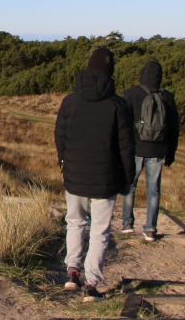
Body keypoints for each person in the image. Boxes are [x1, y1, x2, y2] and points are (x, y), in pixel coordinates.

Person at [55, 47, 135, 302]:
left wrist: (63, 165)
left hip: (75, 176)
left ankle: (72, 273)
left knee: (75, 223)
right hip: (106, 179)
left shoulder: (69, 101)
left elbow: (60, 138)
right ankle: (91, 285)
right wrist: (128, 179)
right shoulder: (118, 105)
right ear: (110, 73)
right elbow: (126, 147)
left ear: (88, 68)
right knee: (100, 231)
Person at [120, 61, 180, 242]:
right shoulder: (167, 97)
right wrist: (171, 152)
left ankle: (127, 224)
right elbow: (175, 127)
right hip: (158, 150)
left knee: (130, 187)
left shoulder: (132, 93)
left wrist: (122, 148)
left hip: (136, 148)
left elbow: (122, 123)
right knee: (154, 190)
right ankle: (151, 229)